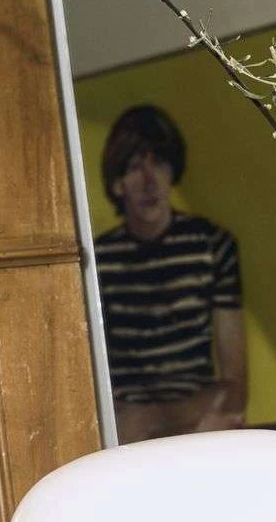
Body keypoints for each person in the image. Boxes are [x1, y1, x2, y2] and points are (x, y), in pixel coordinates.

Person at [94, 105, 247, 444]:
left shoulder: (212, 245)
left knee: (225, 414)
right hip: (135, 432)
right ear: (117, 184)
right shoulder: (98, 261)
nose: (150, 182)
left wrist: (152, 420)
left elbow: (235, 389)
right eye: (135, 168)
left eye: (160, 164)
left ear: (172, 170)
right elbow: (100, 398)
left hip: (195, 425)